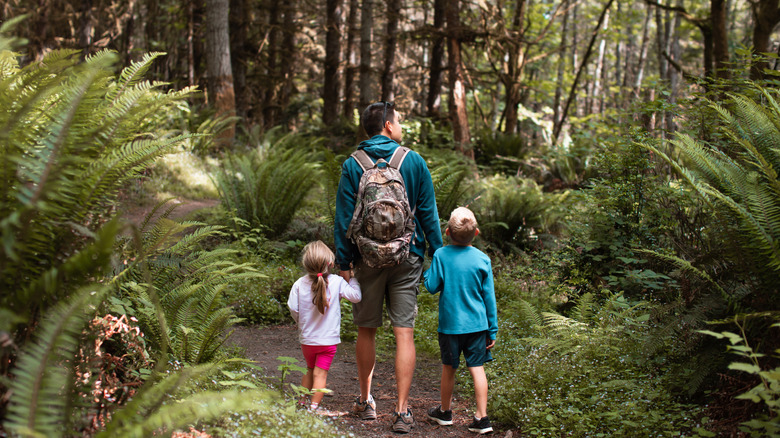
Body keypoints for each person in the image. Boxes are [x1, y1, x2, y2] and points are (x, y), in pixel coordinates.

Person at [334, 101, 443, 433]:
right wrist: (439, 254)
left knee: (366, 330)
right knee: (404, 333)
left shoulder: (354, 164)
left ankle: (367, 402)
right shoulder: (413, 161)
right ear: (387, 125)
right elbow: (428, 213)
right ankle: (402, 410)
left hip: (365, 259)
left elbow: (342, 217)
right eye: (398, 121)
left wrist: (343, 261)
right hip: (406, 258)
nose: (400, 126)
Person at [424, 207, 497, 435]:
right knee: (477, 368)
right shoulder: (483, 259)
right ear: (476, 233)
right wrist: (491, 330)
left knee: (449, 368)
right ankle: (482, 418)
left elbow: (432, 286)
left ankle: (445, 413)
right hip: (477, 326)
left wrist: (427, 273)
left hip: (450, 327)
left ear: (447, 232)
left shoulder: (441, 255)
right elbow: (489, 298)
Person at [287, 240, 362, 416]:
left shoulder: (299, 283)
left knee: (310, 369)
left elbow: (293, 308)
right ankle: (313, 409)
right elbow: (356, 297)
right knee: (321, 375)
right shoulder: (337, 282)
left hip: (307, 340)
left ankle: (301, 402)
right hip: (328, 341)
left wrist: (301, 323)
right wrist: (352, 279)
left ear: (306, 264)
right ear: (330, 264)